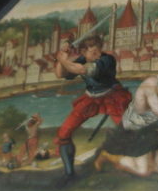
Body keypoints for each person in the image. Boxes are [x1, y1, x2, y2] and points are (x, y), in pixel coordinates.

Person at [96, 55, 158, 177]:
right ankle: (108, 156)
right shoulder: (151, 83)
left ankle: (144, 160)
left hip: (155, 129)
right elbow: (155, 107)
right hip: (137, 128)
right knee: (143, 171)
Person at [54, 35, 131, 176]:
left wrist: (63, 60)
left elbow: (83, 70)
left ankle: (131, 166)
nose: (98, 54)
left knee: (128, 130)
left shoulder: (107, 59)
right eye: (94, 52)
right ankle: (69, 174)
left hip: (112, 97)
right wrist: (62, 58)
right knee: (63, 134)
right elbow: (60, 74)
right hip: (91, 98)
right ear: (83, 52)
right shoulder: (82, 59)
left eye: (99, 50)